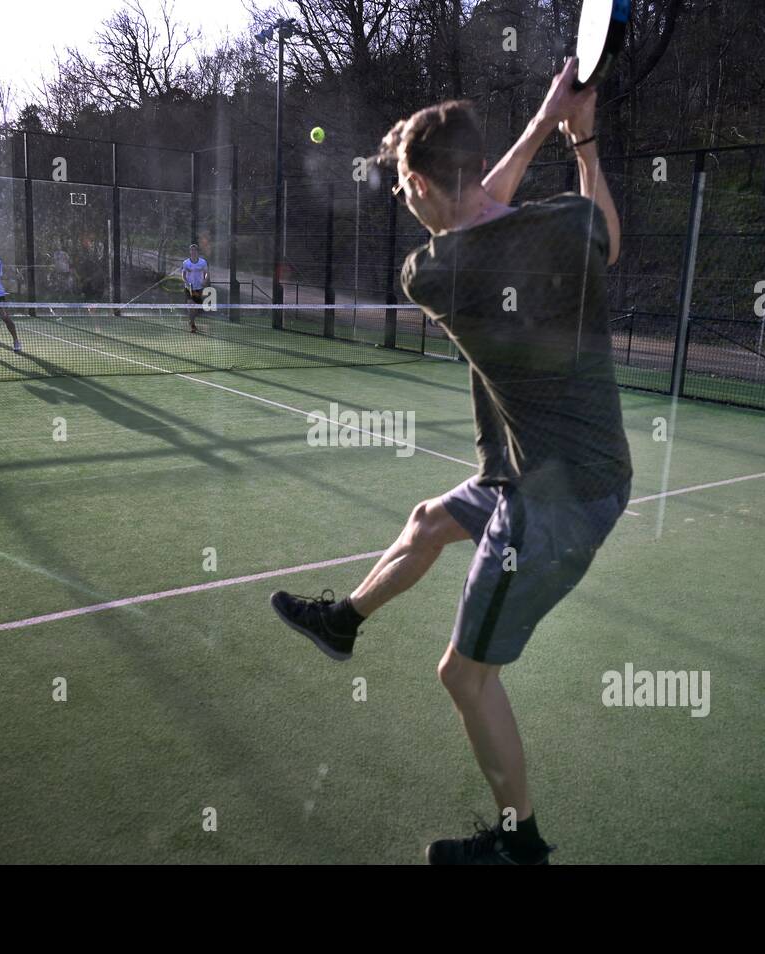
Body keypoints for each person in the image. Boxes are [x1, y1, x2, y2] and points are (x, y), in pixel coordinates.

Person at [268, 59, 632, 865]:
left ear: (425, 185)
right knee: (429, 520)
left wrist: (549, 125)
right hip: (534, 467)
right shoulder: (563, 225)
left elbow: (480, 211)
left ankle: (520, 847)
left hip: (557, 501)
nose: (401, 200)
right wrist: (576, 137)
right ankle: (342, 622)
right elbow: (578, 228)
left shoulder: (431, 271)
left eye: (403, 186)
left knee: (464, 678)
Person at [179, 244, 209, 333]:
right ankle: (192, 325)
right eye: (191, 250)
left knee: (196, 309)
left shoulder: (203, 262)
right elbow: (183, 275)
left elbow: (207, 273)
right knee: (191, 305)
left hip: (199, 288)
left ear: (197, 252)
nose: (193, 252)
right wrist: (186, 282)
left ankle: (191, 320)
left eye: (195, 250)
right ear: (190, 252)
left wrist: (205, 280)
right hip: (189, 288)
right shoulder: (185, 263)